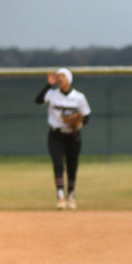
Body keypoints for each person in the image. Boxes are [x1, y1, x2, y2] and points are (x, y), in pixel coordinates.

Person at [35, 68, 91, 210]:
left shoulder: (79, 97)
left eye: (63, 77)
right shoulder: (52, 94)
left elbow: (86, 116)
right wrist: (48, 85)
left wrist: (77, 124)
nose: (60, 79)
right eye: (58, 77)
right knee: (58, 164)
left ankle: (70, 197)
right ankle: (60, 196)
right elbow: (38, 100)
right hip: (56, 134)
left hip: (73, 135)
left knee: (72, 166)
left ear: (69, 79)